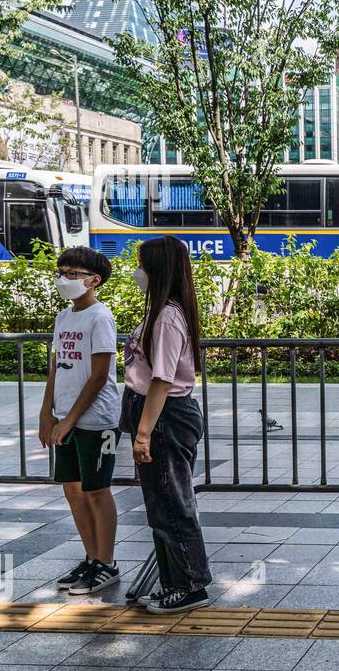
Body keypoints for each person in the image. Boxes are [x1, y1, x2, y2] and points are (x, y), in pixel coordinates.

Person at [120, 235, 212, 614]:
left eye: (142, 264)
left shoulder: (167, 315)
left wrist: (144, 432)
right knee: (161, 505)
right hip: (158, 414)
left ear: (158, 270)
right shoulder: (163, 312)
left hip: (165, 417)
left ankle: (190, 585)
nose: (138, 272)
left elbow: (161, 378)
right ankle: (175, 581)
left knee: (172, 506)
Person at [41, 246, 122, 596]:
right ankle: (91, 558)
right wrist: (47, 413)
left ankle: (106, 563)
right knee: (73, 489)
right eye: (62, 272)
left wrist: (70, 420)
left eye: (73, 273)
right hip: (65, 418)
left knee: (96, 490)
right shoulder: (64, 317)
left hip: (95, 419)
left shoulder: (100, 317)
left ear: (93, 280)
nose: (65, 279)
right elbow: (57, 367)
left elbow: (99, 376)